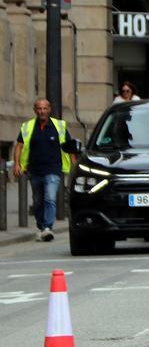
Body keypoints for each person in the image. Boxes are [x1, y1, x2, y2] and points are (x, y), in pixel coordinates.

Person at [12, 98, 78, 241]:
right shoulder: (28, 126)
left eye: (44, 108)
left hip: (53, 170)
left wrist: (74, 166)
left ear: (49, 109)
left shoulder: (59, 126)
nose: (42, 111)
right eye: (39, 108)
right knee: (37, 202)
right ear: (35, 110)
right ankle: (41, 226)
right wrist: (17, 164)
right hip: (34, 171)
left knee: (50, 198)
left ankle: (48, 227)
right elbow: (19, 146)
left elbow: (70, 147)